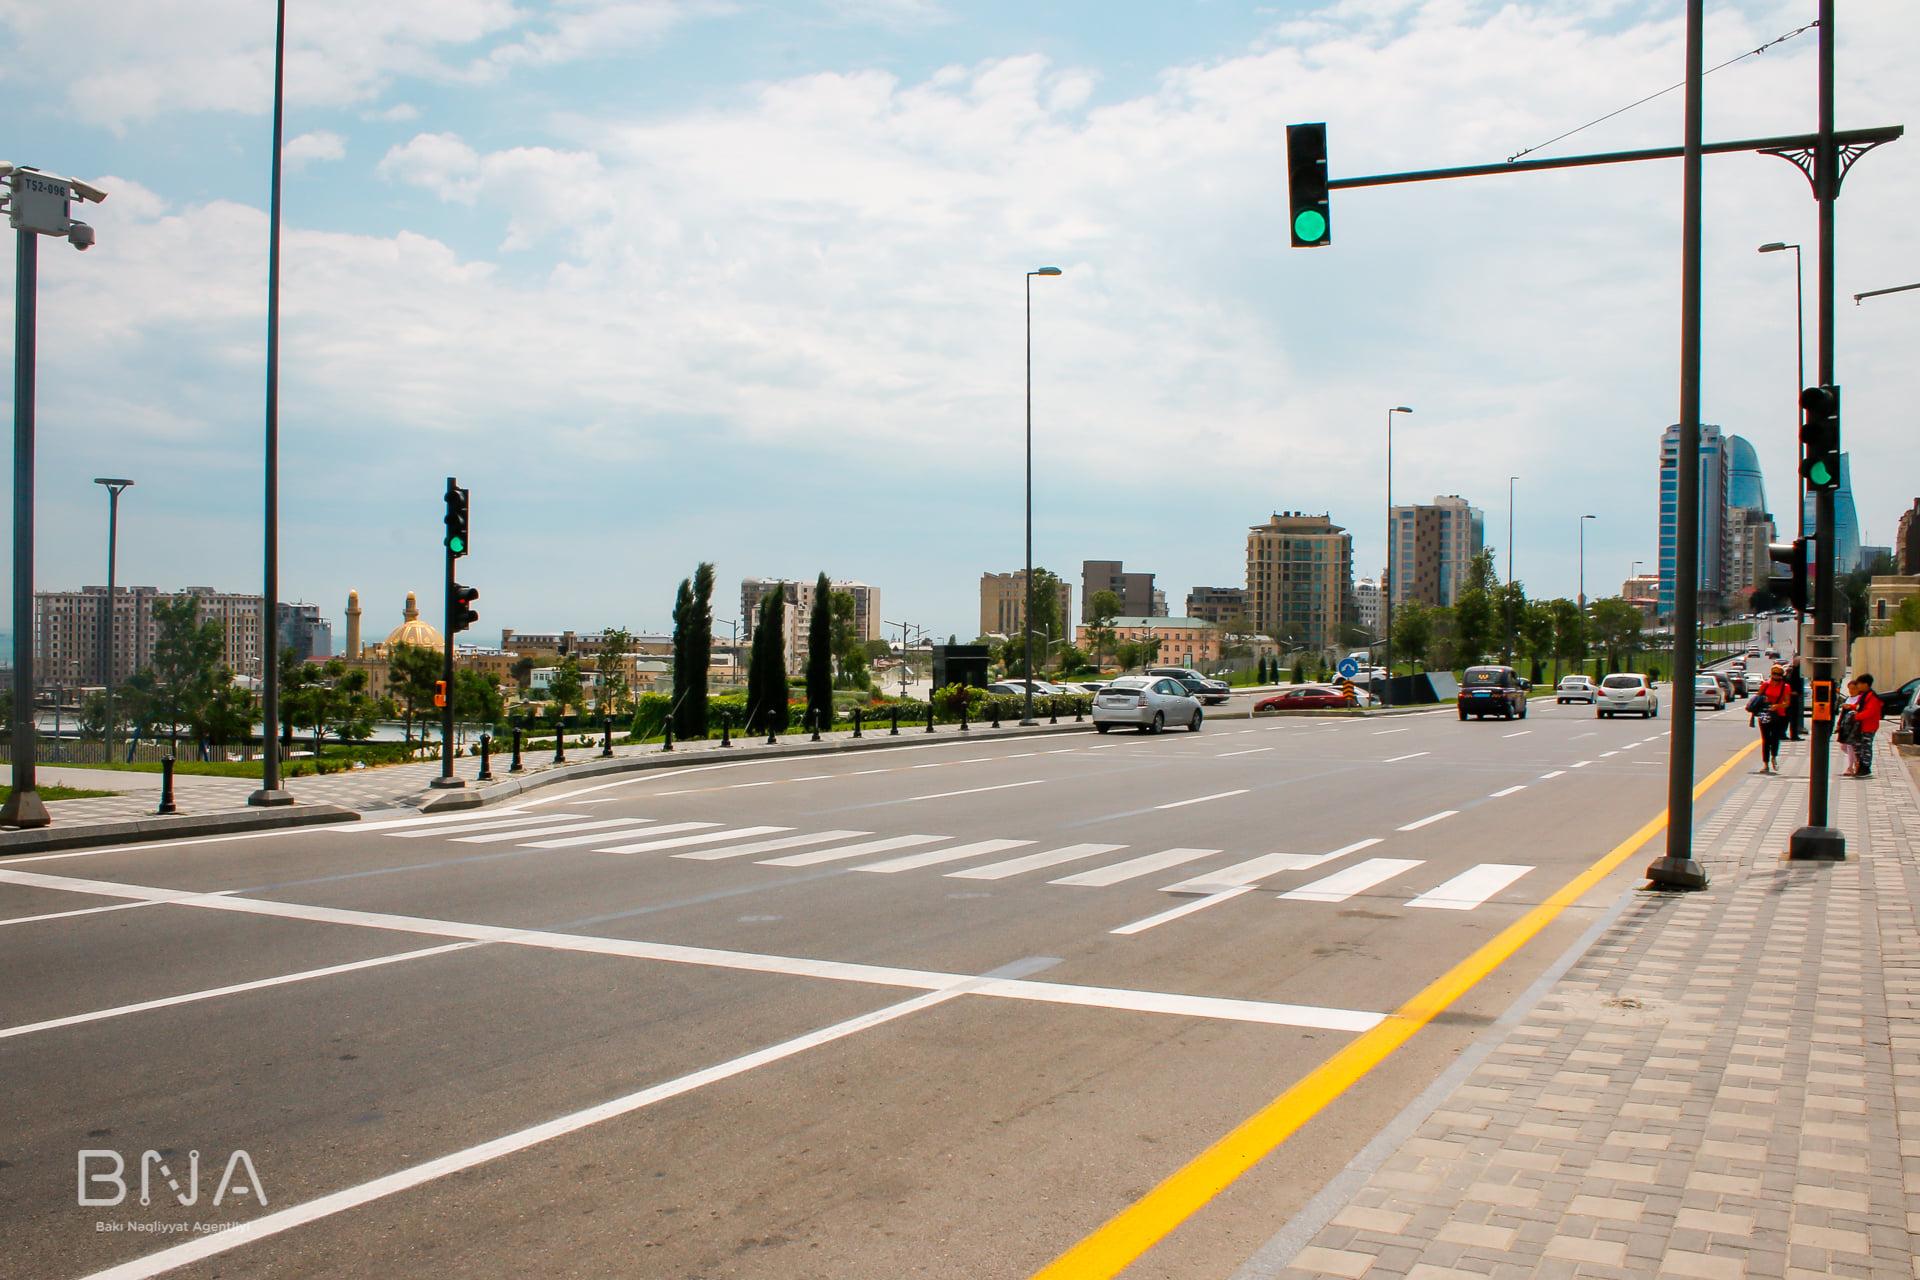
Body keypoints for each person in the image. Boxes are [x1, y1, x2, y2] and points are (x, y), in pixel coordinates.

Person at [1755, 663, 1791, 774]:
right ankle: (1765, 764)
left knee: (1775, 738)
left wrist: (1777, 706)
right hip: (1765, 714)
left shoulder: (1785, 687)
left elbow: (1787, 703)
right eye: (1775, 674)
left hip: (1778, 715)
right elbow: (1758, 697)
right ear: (1771, 674)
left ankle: (1774, 756)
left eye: (1779, 674)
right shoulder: (1765, 685)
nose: (1777, 677)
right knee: (1766, 739)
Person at [1846, 673, 1883, 780]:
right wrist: (1851, 706)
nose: (1858, 686)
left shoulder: (1873, 697)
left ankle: (1865, 768)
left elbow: (1869, 712)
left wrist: (1857, 716)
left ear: (1866, 684)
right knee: (1858, 746)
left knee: (1866, 747)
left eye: (1860, 684)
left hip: (1868, 726)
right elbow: (1859, 706)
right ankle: (1860, 765)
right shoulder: (1864, 696)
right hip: (1861, 726)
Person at [1785, 664, 1806, 740]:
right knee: (1792, 719)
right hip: (1792, 700)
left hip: (1789, 700)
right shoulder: (1794, 677)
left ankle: (1787, 734)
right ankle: (1793, 735)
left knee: (1787, 718)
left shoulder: (1787, 678)